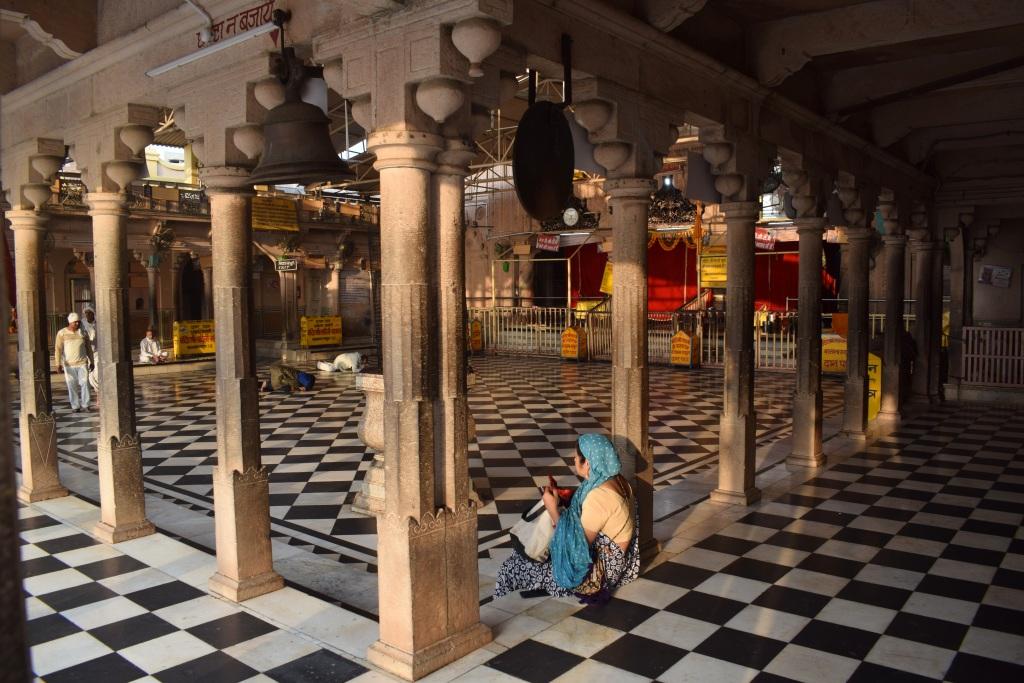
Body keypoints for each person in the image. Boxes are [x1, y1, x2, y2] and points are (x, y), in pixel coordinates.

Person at [494, 434, 639, 605]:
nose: (574, 459)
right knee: (531, 554)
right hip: (620, 558)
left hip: (600, 572)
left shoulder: (599, 496)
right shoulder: (617, 480)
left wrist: (552, 508)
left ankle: (501, 607)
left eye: (577, 457)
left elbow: (575, 549)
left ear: (588, 463)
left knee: (512, 566)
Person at [55, 312, 94, 412]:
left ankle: (86, 405)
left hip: (82, 363)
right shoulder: (62, 333)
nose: (77, 324)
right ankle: (75, 406)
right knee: (71, 385)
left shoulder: (83, 333)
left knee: (85, 383)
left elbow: (88, 348)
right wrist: (58, 364)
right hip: (69, 365)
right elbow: (58, 349)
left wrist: (92, 361)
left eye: (78, 322)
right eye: (75, 322)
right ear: (70, 322)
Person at [81, 306, 100, 393]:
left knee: (96, 372)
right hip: (86, 352)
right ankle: (96, 389)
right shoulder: (82, 324)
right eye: (86, 313)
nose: (88, 315)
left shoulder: (98, 323)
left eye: (89, 313)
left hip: (97, 352)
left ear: (93, 314)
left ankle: (98, 390)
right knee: (89, 374)